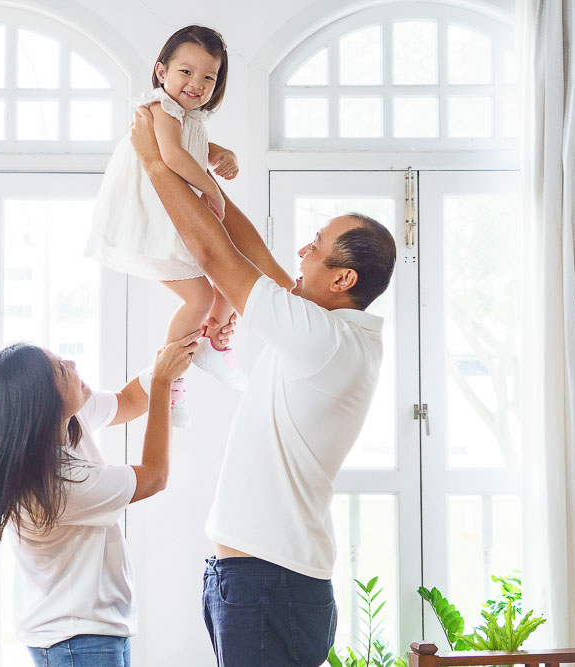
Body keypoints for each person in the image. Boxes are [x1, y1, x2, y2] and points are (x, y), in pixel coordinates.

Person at [129, 106, 398, 666]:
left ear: (343, 279)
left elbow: (215, 256)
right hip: (260, 580)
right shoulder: (330, 327)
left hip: (268, 583)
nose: (302, 252)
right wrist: (211, 195)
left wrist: (156, 163)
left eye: (316, 247)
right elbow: (252, 254)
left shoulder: (322, 338)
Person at [0, 330, 205, 667]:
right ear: (44, 403)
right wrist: (162, 384)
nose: (72, 363)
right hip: (76, 639)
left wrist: (181, 351)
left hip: (89, 630)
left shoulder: (65, 421)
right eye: (61, 369)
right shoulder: (56, 484)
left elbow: (128, 401)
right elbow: (155, 476)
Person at [85, 25, 250, 428]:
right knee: (198, 298)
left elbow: (190, 146)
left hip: (173, 217)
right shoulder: (159, 108)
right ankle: (172, 382)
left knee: (226, 282)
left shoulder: (189, 118)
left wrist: (217, 153)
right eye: (186, 72)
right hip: (152, 221)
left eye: (208, 76)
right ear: (161, 71)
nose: (196, 84)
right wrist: (210, 185)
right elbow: (173, 155)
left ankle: (212, 341)